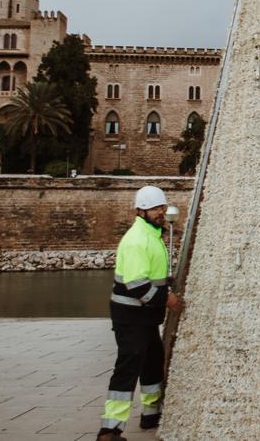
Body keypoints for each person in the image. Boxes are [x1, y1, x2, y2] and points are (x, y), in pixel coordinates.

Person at [97, 185, 184, 441]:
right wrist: (167, 299)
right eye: (154, 209)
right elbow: (136, 284)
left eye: (161, 207)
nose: (160, 212)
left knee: (152, 362)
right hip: (131, 315)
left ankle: (151, 412)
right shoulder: (137, 239)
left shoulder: (152, 234)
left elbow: (150, 275)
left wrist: (165, 281)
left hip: (144, 316)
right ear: (140, 211)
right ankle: (110, 430)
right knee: (128, 367)